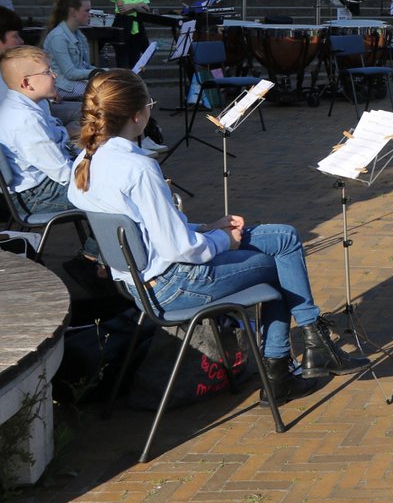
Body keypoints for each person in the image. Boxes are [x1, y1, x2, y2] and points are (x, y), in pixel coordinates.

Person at [67, 70, 363, 400]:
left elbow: (145, 230)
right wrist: (225, 240)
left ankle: (308, 344)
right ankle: (286, 365)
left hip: (140, 283)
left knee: (284, 237)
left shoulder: (85, 161)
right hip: (173, 284)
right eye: (150, 104)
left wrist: (207, 228)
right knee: (281, 265)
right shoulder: (138, 168)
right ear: (137, 116)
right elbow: (178, 248)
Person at [0, 48, 92, 230]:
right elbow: (63, 173)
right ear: (27, 83)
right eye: (47, 72)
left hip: (44, 185)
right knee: (112, 195)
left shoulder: (31, 105)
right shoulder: (26, 120)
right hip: (38, 196)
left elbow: (62, 144)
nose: (55, 75)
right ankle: (98, 248)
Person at [43, 0, 99, 97]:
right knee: (104, 92)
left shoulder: (79, 35)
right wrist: (96, 72)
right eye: (87, 11)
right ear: (73, 12)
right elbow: (70, 73)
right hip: (61, 86)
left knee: (114, 85)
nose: (90, 14)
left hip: (75, 83)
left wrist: (108, 72)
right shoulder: (58, 37)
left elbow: (85, 66)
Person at [109, 0, 151, 68]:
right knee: (122, 61)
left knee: (136, 61)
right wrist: (137, 5)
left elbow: (146, 10)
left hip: (137, 27)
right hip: (122, 25)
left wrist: (130, 6)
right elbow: (122, 9)